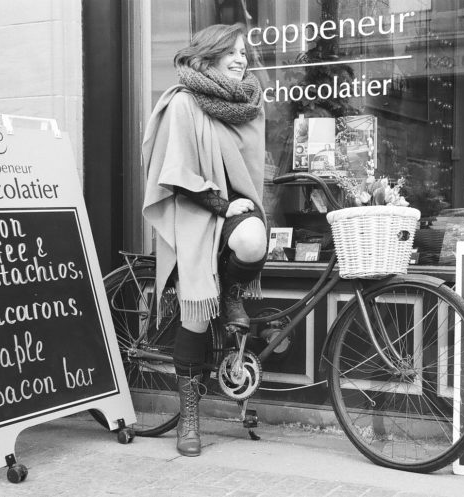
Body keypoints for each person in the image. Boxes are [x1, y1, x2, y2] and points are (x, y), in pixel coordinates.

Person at [141, 23, 267, 457]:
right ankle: (190, 416)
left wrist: (237, 204)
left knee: (253, 240)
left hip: (233, 213)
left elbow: (249, 175)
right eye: (230, 52)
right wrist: (220, 203)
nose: (240, 59)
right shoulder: (183, 102)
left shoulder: (248, 103)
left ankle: (231, 292)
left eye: (244, 53)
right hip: (193, 212)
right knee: (195, 315)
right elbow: (172, 173)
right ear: (208, 56)